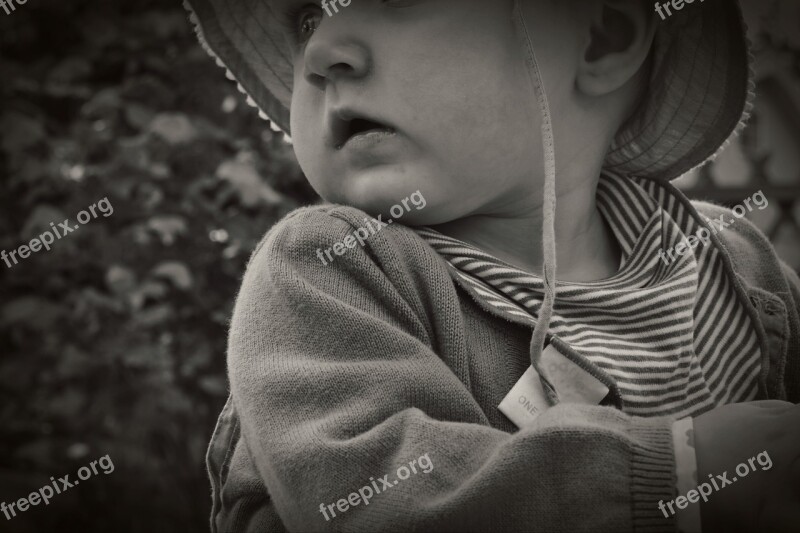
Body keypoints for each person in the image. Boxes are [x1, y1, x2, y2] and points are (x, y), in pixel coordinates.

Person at [186, 0, 800, 531]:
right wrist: (679, 477)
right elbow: (381, 500)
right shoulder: (332, 272)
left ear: (601, 36)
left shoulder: (732, 258)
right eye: (307, 17)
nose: (321, 50)